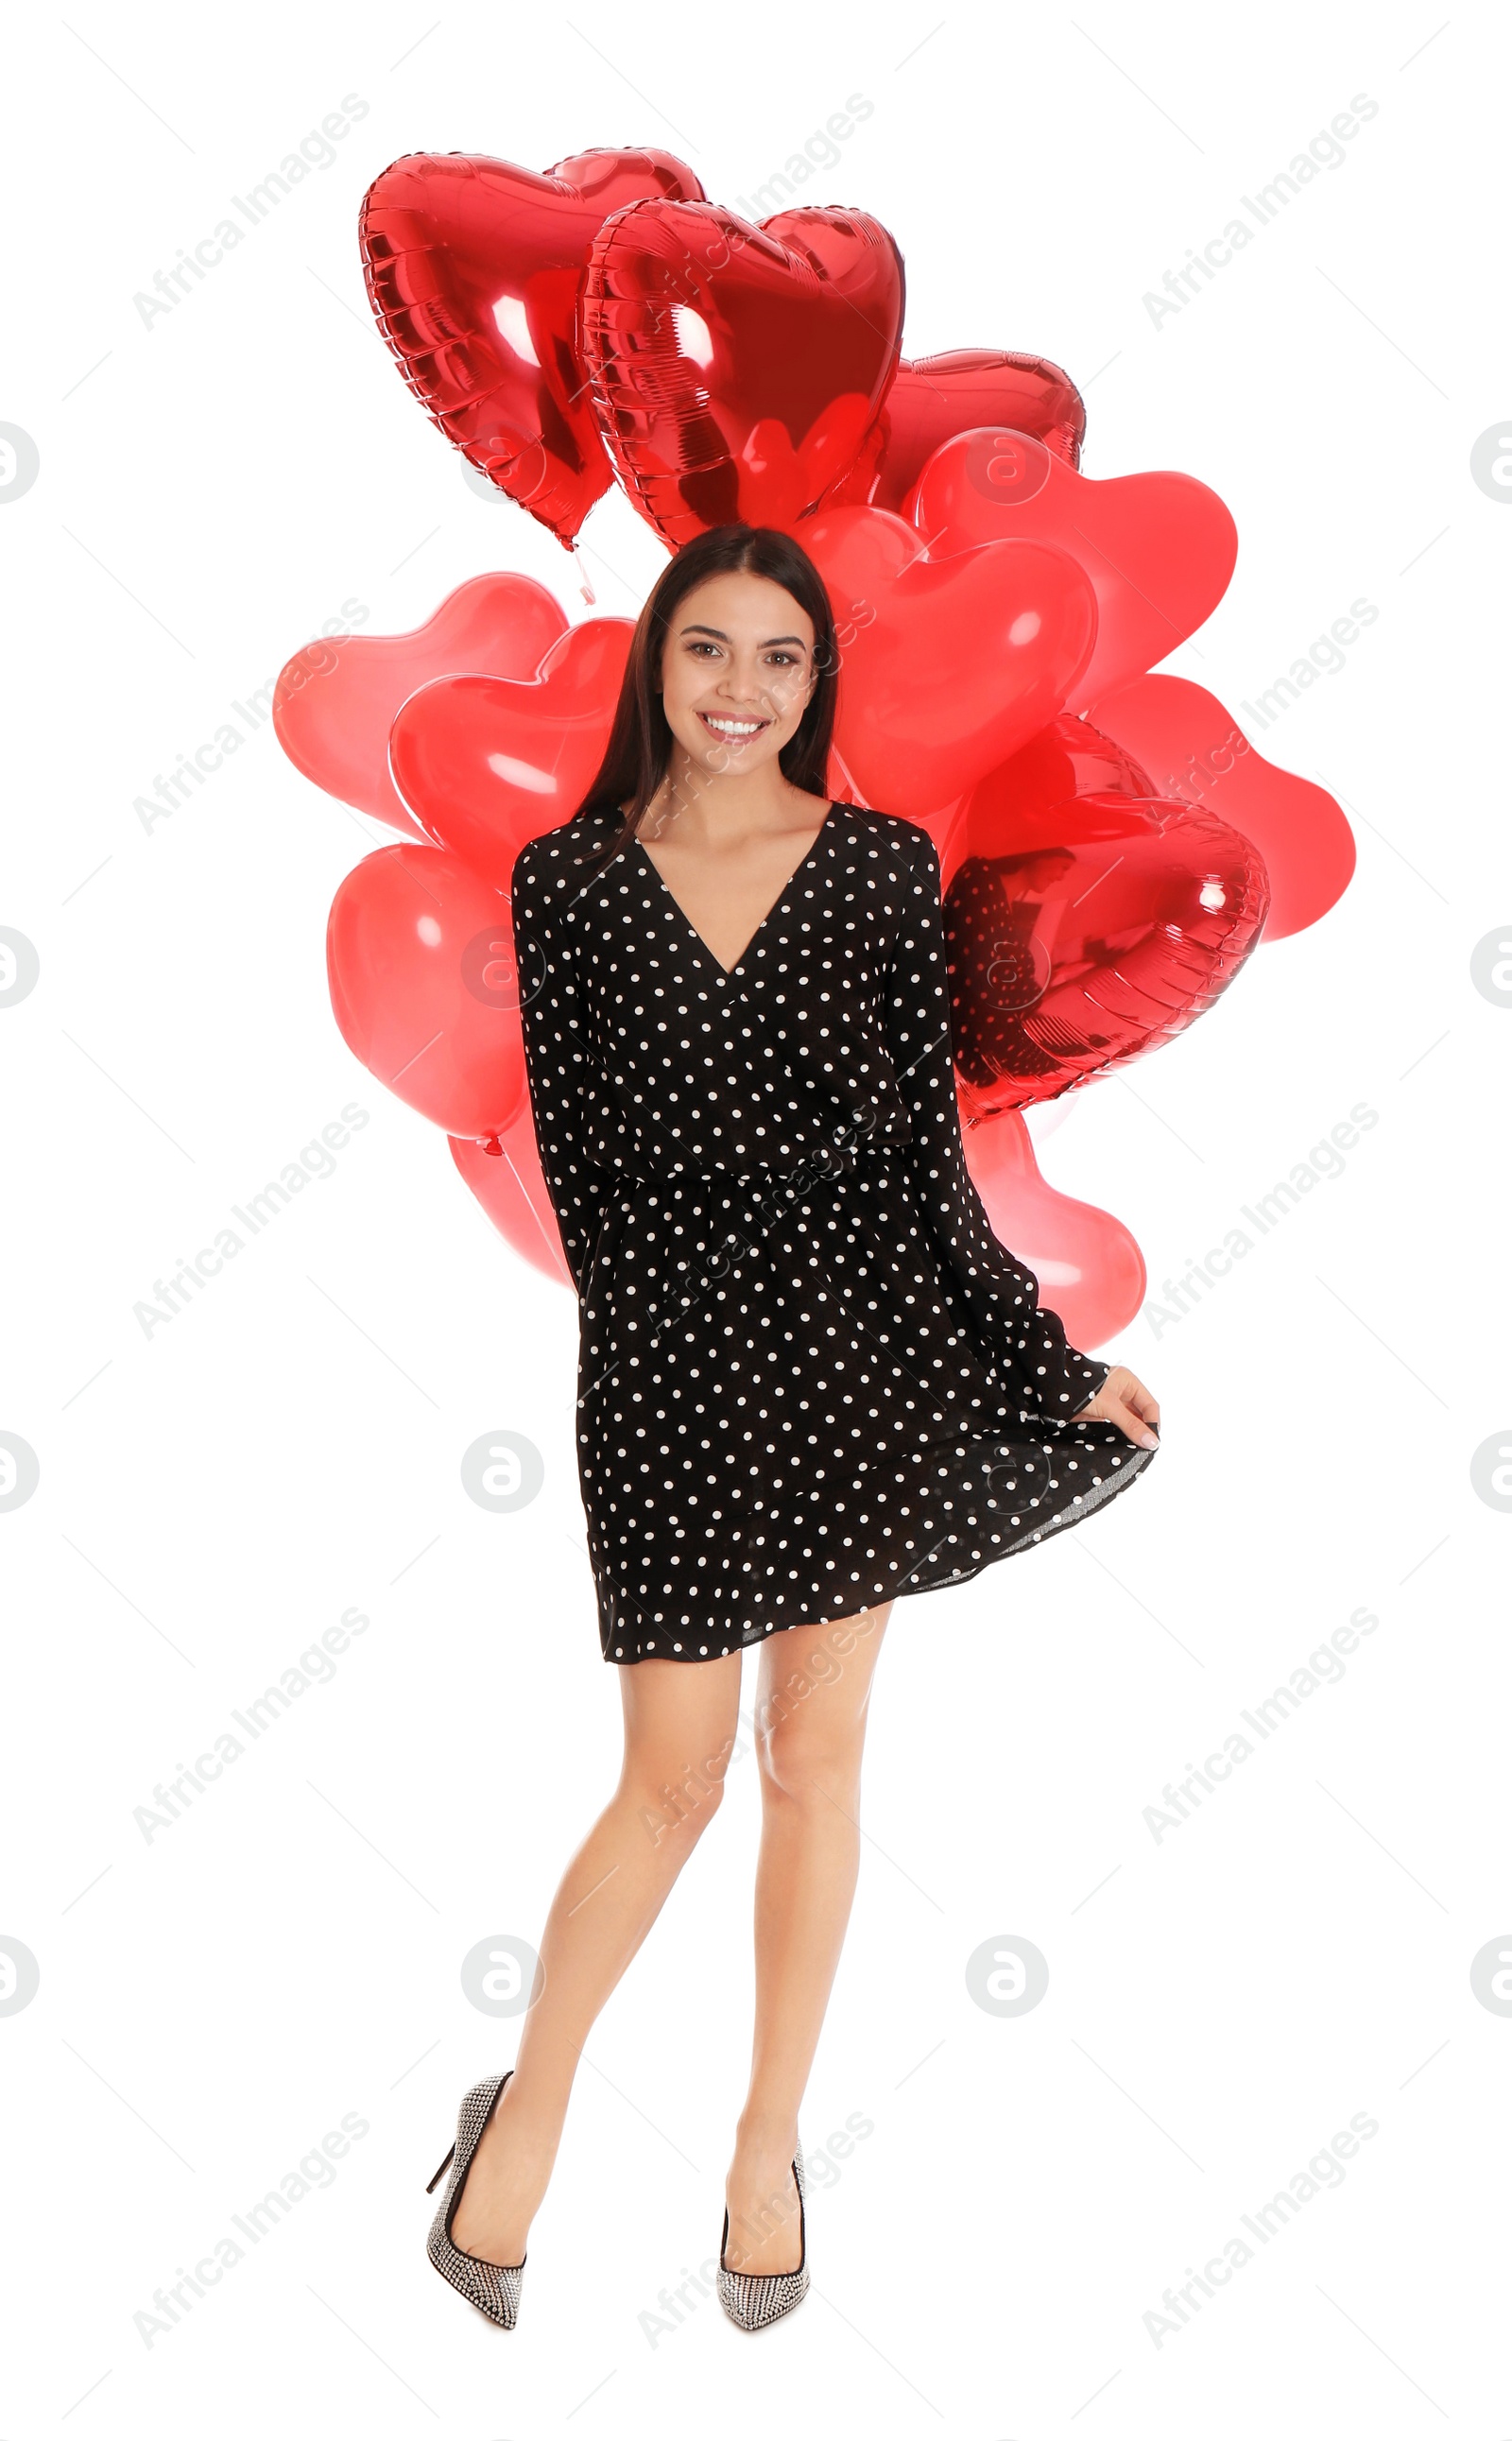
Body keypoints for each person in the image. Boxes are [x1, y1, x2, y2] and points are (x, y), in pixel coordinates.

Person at [423, 524, 1160, 2331]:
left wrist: (1039, 1351)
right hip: (674, 1368)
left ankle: (765, 2148)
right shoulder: (571, 884)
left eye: (779, 658)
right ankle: (526, 2117)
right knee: (666, 1782)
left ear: (817, 682)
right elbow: (591, 1189)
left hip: (866, 1355)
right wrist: (697, 1319)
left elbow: (928, 1160)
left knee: (811, 1765)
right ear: (653, 668)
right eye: (707, 651)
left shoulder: (883, 872)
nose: (740, 692)